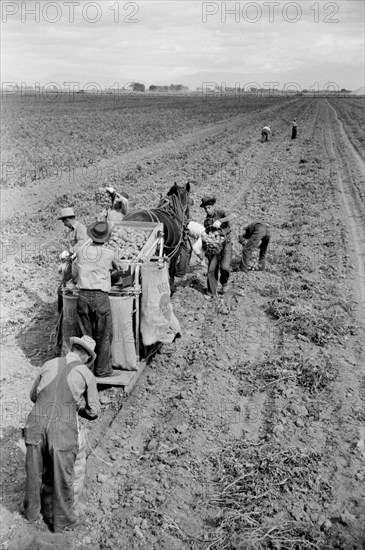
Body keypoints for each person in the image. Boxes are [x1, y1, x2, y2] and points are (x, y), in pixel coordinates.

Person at [23, 335, 100, 533]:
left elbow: (33, 396)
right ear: (86, 357)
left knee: (34, 473)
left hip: (35, 424)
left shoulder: (49, 363)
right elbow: (94, 411)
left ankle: (31, 514)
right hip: (62, 430)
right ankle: (62, 521)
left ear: (72, 348)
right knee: (63, 476)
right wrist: (78, 408)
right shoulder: (86, 374)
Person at [72, 220, 120, 378]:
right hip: (100, 298)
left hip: (83, 297)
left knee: (86, 335)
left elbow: (74, 274)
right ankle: (102, 370)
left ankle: (86, 369)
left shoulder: (80, 251)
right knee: (104, 334)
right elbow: (122, 269)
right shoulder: (109, 253)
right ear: (106, 238)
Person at [201, 196, 232, 296]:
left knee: (225, 267)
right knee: (211, 269)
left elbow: (234, 215)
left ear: (213, 206)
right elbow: (208, 234)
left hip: (226, 243)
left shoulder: (220, 213)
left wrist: (221, 221)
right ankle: (211, 292)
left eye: (209, 207)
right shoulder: (207, 221)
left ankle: (224, 282)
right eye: (205, 208)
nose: (207, 210)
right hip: (215, 246)